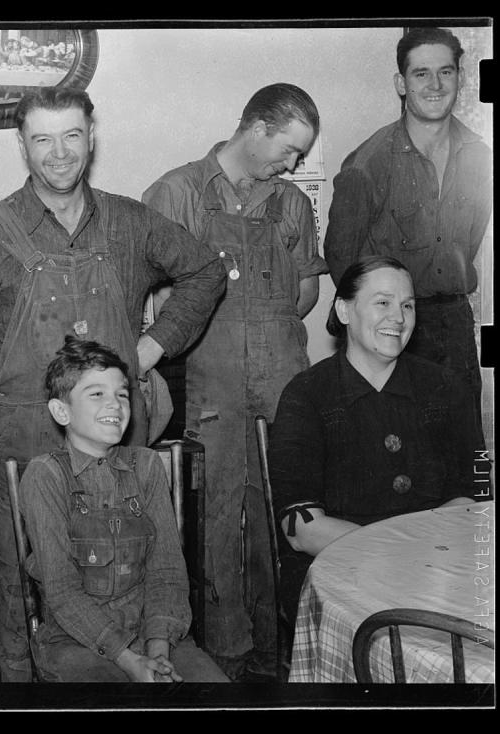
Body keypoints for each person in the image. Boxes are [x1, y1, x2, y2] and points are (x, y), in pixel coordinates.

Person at [0, 87, 226, 680]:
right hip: (24, 431)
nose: (59, 153)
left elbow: (205, 273)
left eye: (71, 136)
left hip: (116, 428)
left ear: (91, 136)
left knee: (126, 566)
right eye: (42, 139)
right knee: (17, 584)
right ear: (22, 144)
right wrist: (0, 382)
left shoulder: (130, 221)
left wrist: (151, 346)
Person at [141, 83, 327, 680]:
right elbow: (158, 298)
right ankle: (226, 655)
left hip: (282, 374)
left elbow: (305, 293)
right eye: (289, 149)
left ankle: (291, 649)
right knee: (217, 512)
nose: (293, 164)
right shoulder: (177, 193)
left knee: (291, 507)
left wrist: (263, 333)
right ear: (257, 128)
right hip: (207, 376)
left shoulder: (291, 204)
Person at [269, 256, 491, 631]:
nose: (399, 318)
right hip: (338, 576)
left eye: (407, 305)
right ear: (343, 309)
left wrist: (425, 556)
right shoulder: (306, 395)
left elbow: (475, 489)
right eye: (383, 303)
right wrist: (399, 554)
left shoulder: (448, 387)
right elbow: (301, 527)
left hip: (436, 568)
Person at [18, 337, 230, 683]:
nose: (115, 404)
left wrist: (158, 651)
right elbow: (63, 593)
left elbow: (167, 571)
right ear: (61, 411)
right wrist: (130, 661)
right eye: (96, 393)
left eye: (121, 394)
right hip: (77, 642)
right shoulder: (46, 476)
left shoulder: (145, 466)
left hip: (153, 634)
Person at [323, 27, 492, 434]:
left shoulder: (480, 157)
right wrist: (380, 324)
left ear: (462, 79)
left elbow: (468, 243)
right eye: (421, 74)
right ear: (401, 83)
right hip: (391, 328)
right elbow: (341, 259)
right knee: (396, 451)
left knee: (465, 453)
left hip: (454, 326)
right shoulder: (369, 163)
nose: (435, 85)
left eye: (446, 72)